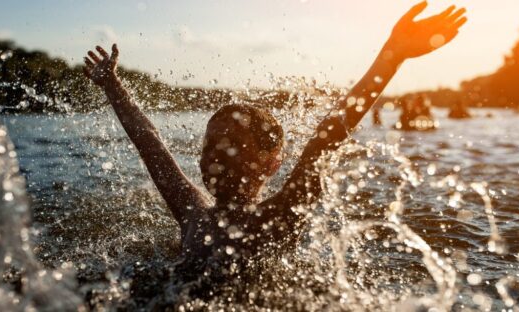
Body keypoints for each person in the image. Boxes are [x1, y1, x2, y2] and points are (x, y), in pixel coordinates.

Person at [83, 1, 466, 278]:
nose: (214, 154)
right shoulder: (191, 211)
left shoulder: (279, 216)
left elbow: (327, 138)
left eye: (231, 144)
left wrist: (392, 56)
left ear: (271, 162)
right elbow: (150, 144)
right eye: (209, 145)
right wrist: (113, 85)